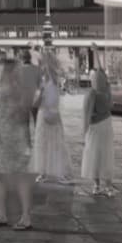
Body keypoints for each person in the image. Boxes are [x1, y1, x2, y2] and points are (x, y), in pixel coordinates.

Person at [0, 59, 34, 230]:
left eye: (4, 70)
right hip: (0, 139)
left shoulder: (14, 91)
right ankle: (1, 213)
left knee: (19, 176)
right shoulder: (7, 90)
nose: (0, 73)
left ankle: (25, 216)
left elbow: (21, 115)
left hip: (11, 139)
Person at [31, 56, 73, 184]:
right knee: (56, 144)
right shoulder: (54, 82)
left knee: (44, 145)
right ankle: (57, 173)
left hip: (45, 117)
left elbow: (36, 104)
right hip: (53, 116)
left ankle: (44, 173)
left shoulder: (49, 83)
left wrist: (44, 61)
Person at [81, 68, 115, 196]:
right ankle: (109, 187)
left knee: (95, 156)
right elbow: (111, 106)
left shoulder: (91, 94)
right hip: (107, 126)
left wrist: (83, 134)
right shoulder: (107, 91)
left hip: (96, 128)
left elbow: (87, 115)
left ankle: (96, 186)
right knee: (107, 155)